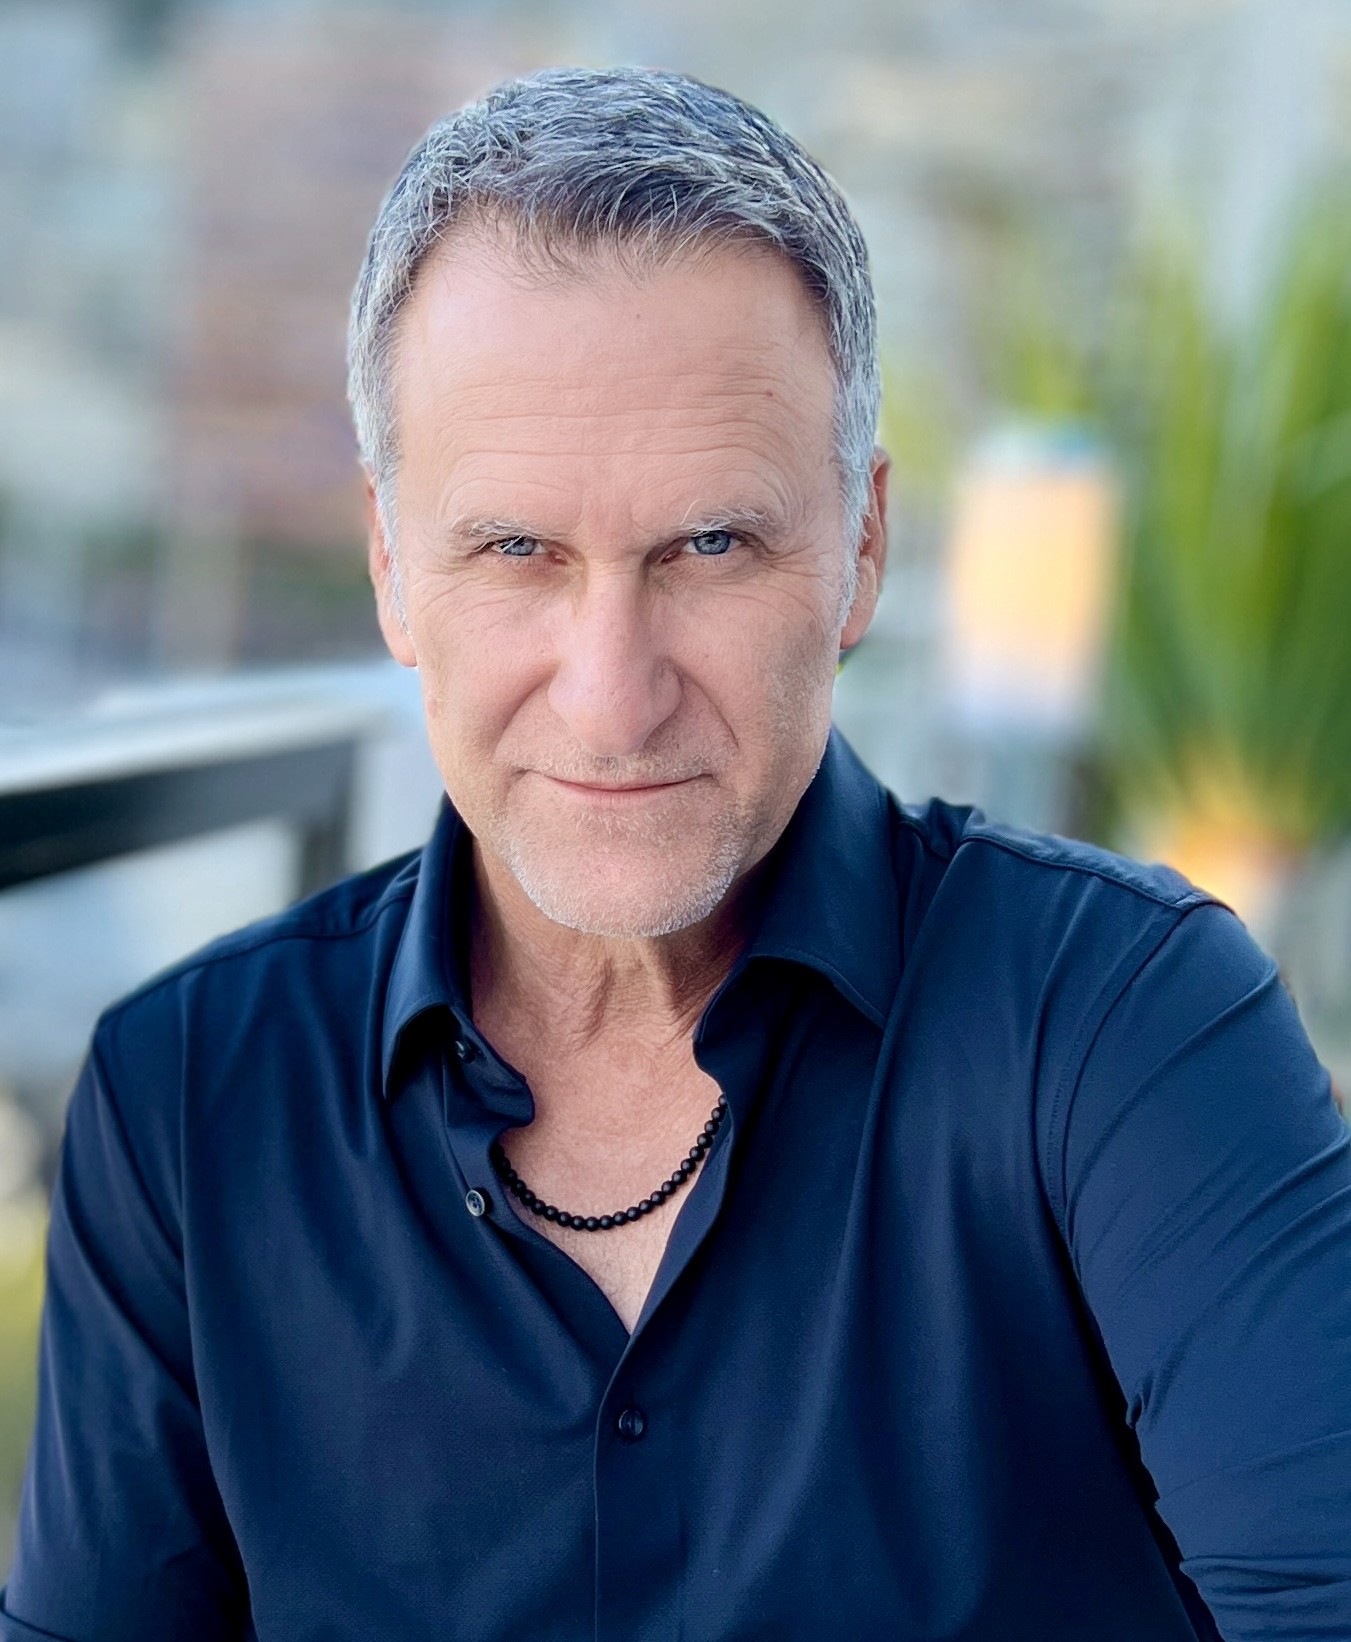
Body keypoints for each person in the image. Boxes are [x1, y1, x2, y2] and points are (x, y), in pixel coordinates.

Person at [3, 65, 1349, 1642]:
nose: (612, 691)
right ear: (389, 566)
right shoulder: (185, 1098)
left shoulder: (1126, 1025)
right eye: (518, 551)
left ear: (860, 549)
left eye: (709, 545)